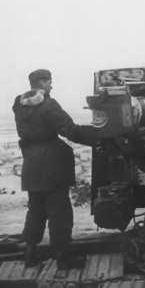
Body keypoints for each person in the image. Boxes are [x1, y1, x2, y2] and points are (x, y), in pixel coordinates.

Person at [12, 69, 99, 269]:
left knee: (35, 210)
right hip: (52, 166)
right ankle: (63, 258)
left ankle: (30, 253)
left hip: (32, 164)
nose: (52, 85)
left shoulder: (19, 105)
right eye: (50, 82)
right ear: (42, 82)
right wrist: (98, 137)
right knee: (60, 212)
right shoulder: (48, 105)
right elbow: (69, 130)